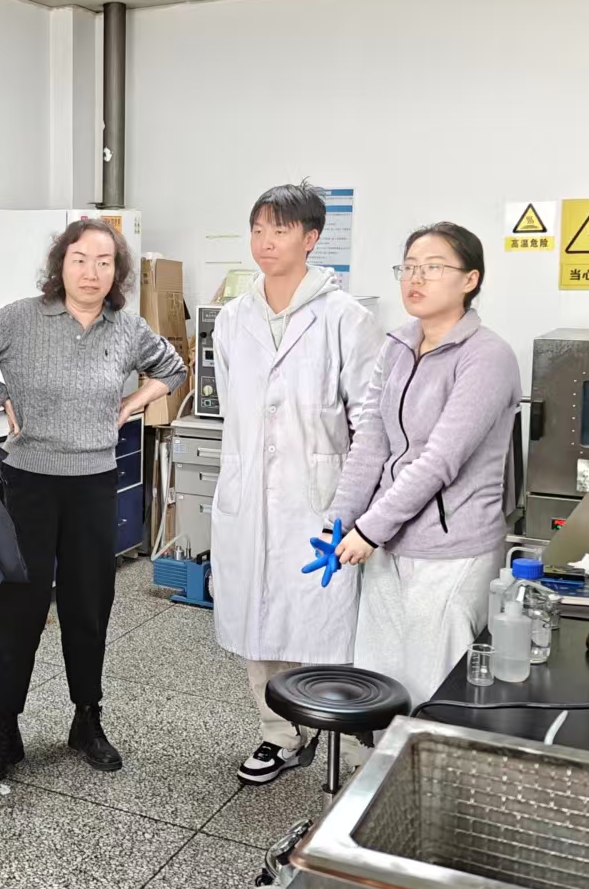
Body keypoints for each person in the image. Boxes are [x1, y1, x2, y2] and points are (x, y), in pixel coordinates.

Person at [0, 219, 186, 785]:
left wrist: (133, 404)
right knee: (15, 608)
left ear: (117, 272)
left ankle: (87, 718)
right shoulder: (23, 318)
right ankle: (5, 728)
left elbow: (172, 367)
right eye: (80, 259)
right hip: (27, 483)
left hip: (93, 484)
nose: (91, 272)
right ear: (61, 265)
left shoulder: (127, 327)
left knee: (88, 605)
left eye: (104, 262)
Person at [209, 183, 382, 786]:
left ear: (311, 239)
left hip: (320, 497)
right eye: (257, 229)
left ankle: (351, 741)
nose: (265, 242)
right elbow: (235, 409)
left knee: (326, 622)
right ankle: (278, 733)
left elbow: (370, 421)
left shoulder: (346, 318)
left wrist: (359, 507)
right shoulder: (232, 319)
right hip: (248, 493)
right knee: (257, 618)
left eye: (279, 230)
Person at [327, 222, 522, 706]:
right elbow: (370, 441)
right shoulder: (397, 346)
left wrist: (368, 530)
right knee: (379, 684)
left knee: (433, 689)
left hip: (450, 550)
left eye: (433, 267)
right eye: (409, 267)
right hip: (389, 543)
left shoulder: (488, 357)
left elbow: (440, 460)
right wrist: (339, 521)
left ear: (470, 279)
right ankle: (380, 758)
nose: (416, 278)